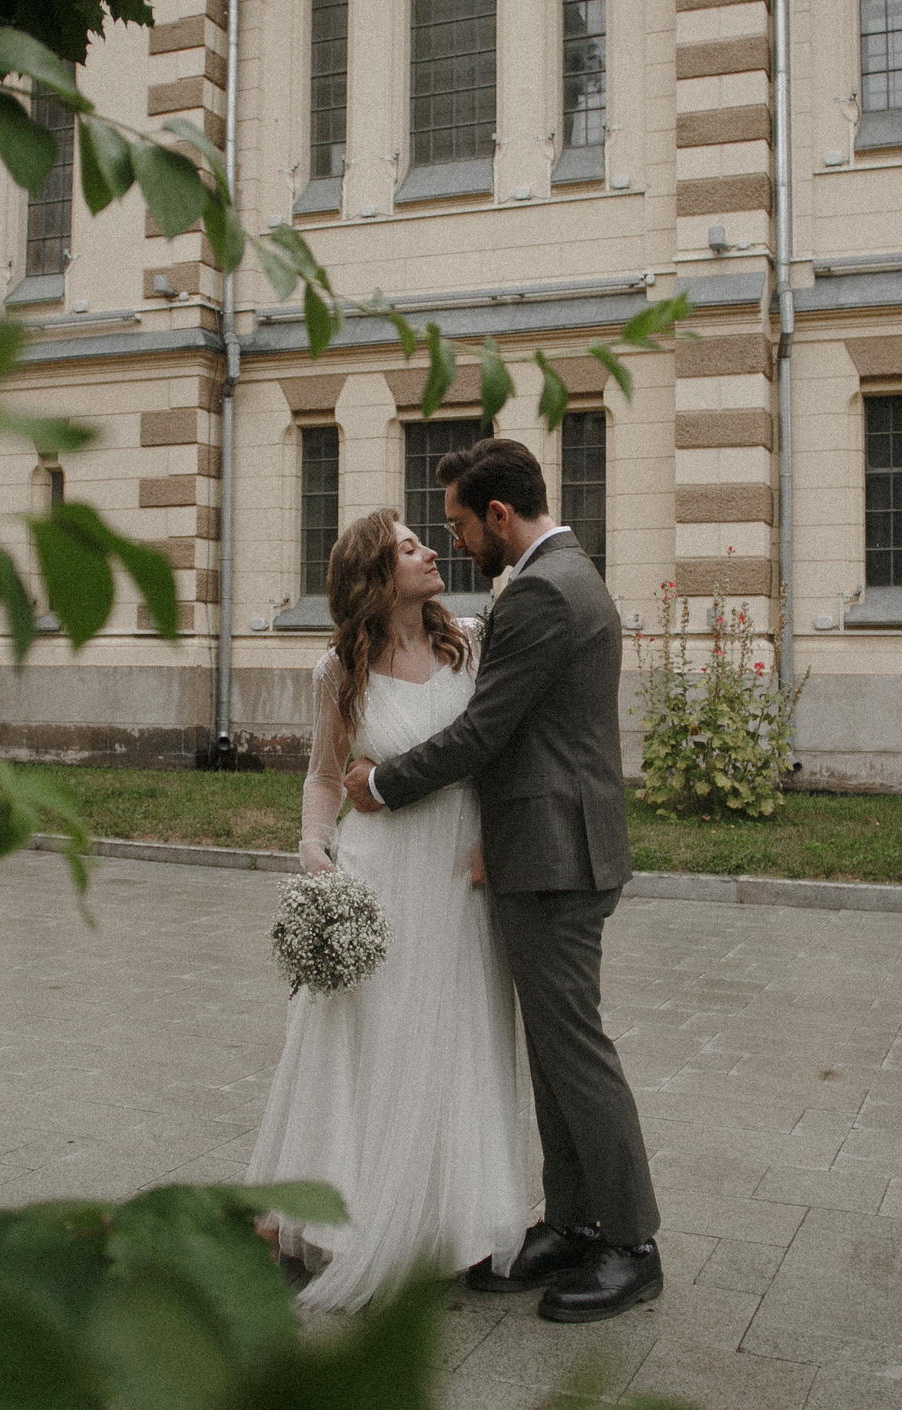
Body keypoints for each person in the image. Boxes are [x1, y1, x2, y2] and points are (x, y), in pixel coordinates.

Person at [341, 437, 662, 1323]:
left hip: (556, 855)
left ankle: (631, 1243)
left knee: (577, 1055)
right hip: (550, 847)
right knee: (556, 1056)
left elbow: (482, 733)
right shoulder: (565, 575)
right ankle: (572, 1221)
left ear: (498, 516)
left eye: (456, 525)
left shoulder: (541, 597)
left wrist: (382, 784)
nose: (454, 543)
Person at [242, 510, 531, 1314]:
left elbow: (503, 751)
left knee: (456, 1032)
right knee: (363, 1034)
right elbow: (325, 775)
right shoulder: (341, 669)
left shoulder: (466, 646)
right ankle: (333, 1211)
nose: (431, 549)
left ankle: (453, 1219)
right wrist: (313, 854)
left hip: (454, 868)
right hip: (376, 870)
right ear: (376, 573)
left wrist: (497, 842)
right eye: (409, 547)